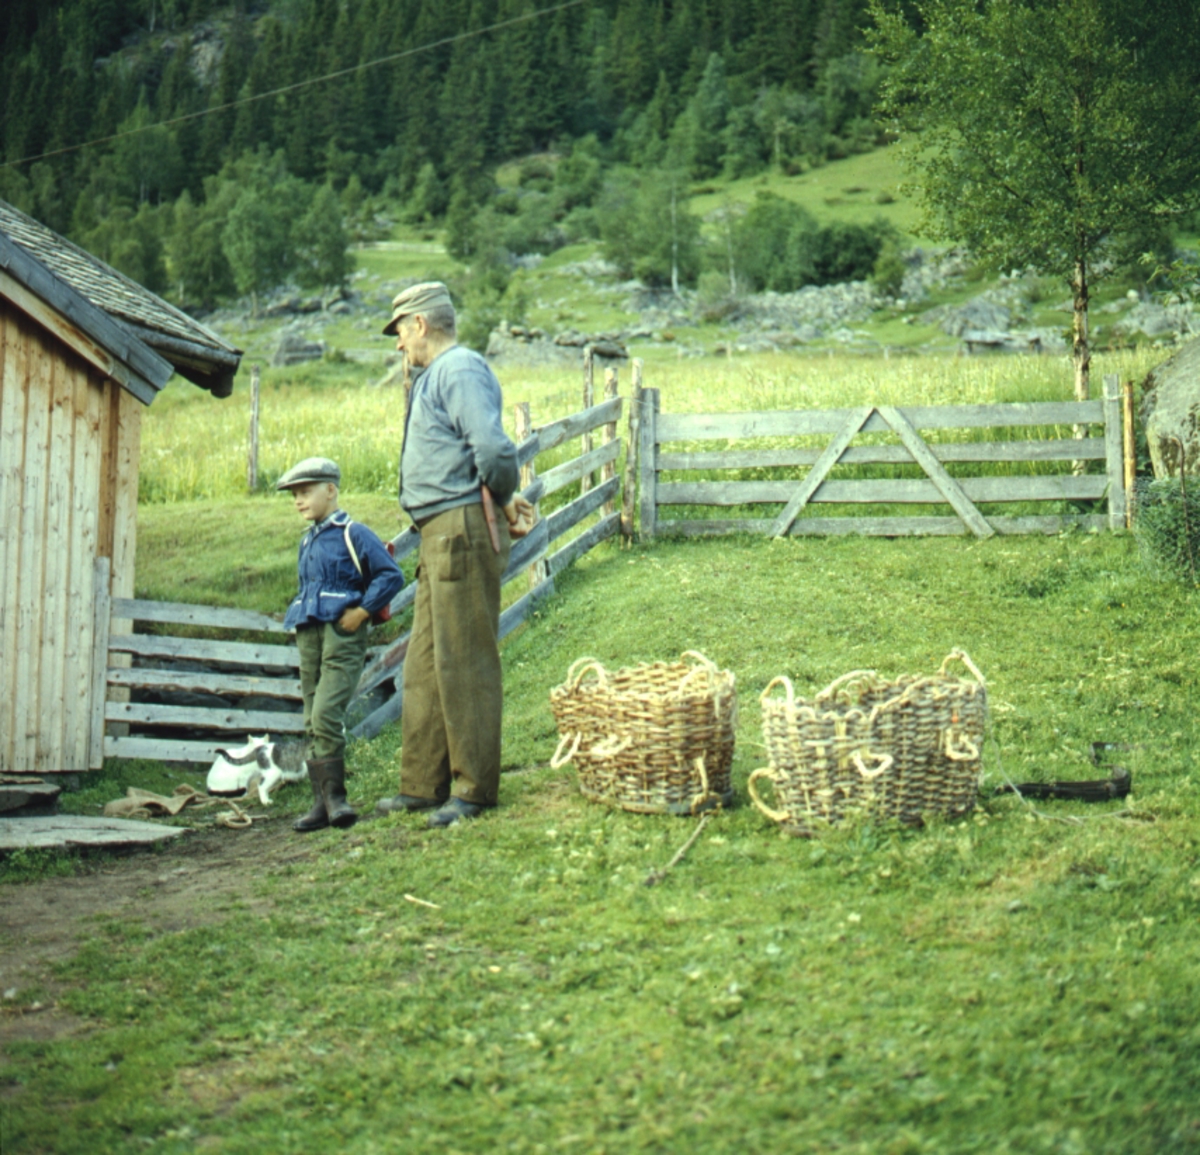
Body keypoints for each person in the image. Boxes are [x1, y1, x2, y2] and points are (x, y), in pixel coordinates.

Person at [375, 282, 534, 828]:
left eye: (399, 331)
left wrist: (505, 495)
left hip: (458, 530)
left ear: (419, 324)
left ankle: (473, 790)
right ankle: (422, 785)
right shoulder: (437, 375)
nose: (398, 345)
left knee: (463, 660)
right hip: (437, 534)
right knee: (423, 664)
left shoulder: (459, 368)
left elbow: (492, 451)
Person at [278, 456, 405, 833]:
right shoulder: (307, 541)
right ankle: (320, 804)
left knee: (326, 714)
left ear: (330, 490)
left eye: (305, 492)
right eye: (294, 496)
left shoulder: (354, 533)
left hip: (341, 632)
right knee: (310, 717)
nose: (298, 501)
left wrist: (362, 612)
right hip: (309, 632)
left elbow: (390, 575)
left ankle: (337, 798)